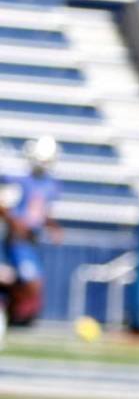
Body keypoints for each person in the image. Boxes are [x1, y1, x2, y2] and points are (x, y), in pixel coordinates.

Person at [0, 136, 62, 329]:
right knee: (28, 282)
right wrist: (14, 221)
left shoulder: (51, 185)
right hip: (16, 240)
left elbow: (41, 212)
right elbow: (3, 205)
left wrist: (53, 226)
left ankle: (9, 315)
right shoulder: (18, 180)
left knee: (29, 284)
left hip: (32, 241)